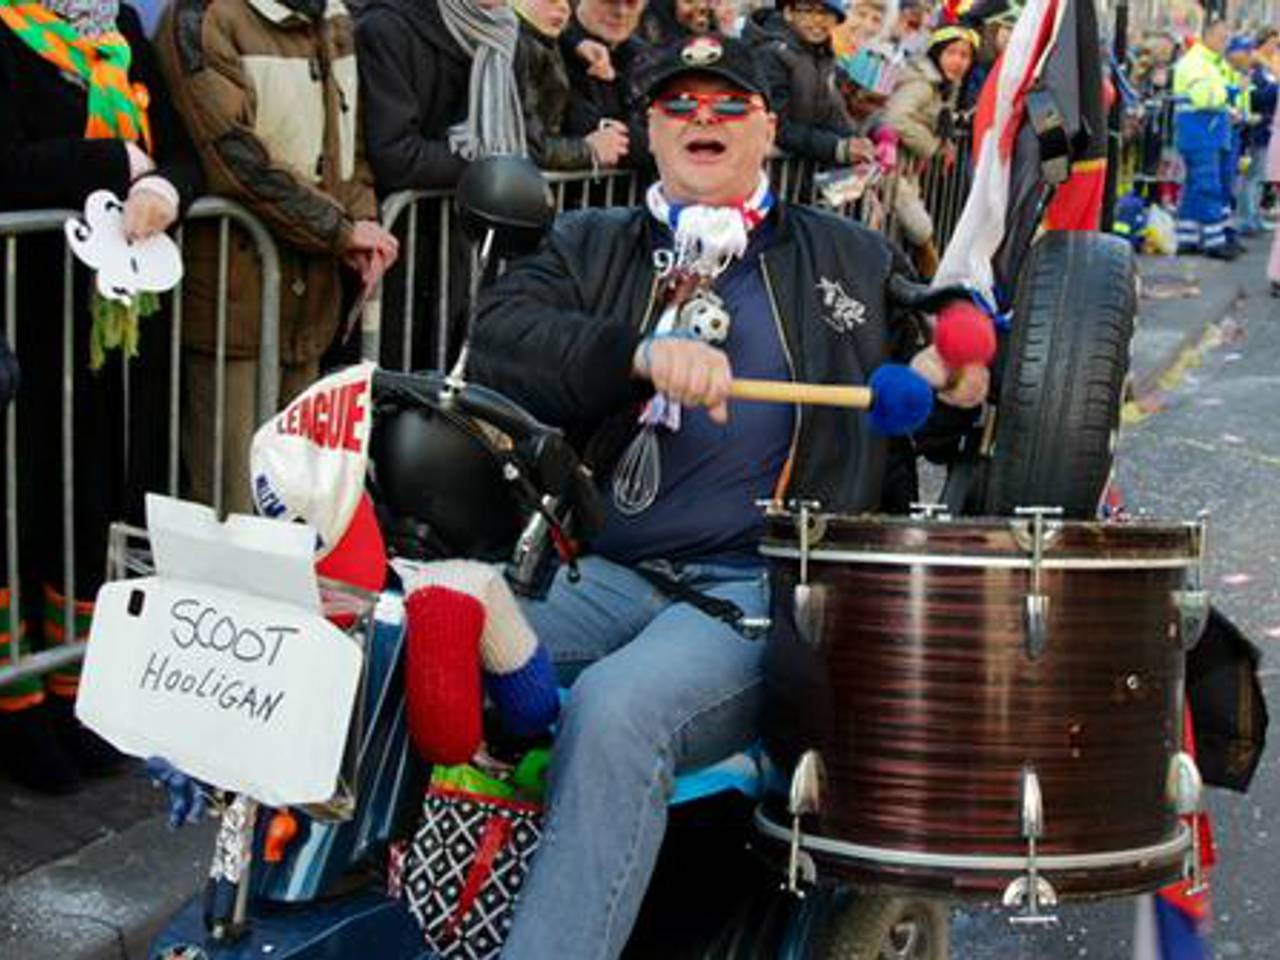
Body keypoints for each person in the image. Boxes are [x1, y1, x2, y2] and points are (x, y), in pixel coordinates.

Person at [467, 34, 987, 958]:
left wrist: (954, 384)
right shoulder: (589, 243)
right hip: (603, 568)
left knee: (618, 711)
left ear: (771, 129)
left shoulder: (851, 256)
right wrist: (630, 354)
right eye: (680, 106)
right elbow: (505, 339)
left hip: (759, 590)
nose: (703, 121)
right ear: (650, 129)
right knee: (416, 644)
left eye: (728, 106)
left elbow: (925, 406)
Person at [0, 0, 202, 793]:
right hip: (25, 307)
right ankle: (15, 704)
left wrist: (168, 190)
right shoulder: (9, 31)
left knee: (90, 493)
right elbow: (9, 165)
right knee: (22, 497)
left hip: (113, 318)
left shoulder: (116, 26)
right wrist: (115, 161)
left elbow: (181, 155)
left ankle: (74, 685)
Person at [155, 0, 397, 517]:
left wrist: (363, 224)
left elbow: (349, 154)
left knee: (295, 510)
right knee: (232, 510)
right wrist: (341, 230)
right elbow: (232, 158)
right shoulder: (204, 16)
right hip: (232, 304)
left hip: (309, 311)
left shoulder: (334, 15)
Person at [884, 21, 977, 277]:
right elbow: (894, 119)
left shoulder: (944, 86)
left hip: (905, 169)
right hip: (886, 167)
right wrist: (934, 146)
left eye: (965, 55)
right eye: (952, 53)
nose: (958, 61)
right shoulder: (923, 84)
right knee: (920, 229)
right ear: (937, 53)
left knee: (906, 232)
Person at [515, 0, 629, 170]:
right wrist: (590, 149)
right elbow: (523, 146)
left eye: (570, 2)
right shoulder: (515, 49)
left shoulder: (541, 39)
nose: (563, 7)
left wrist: (576, 43)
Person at [752, 0, 865, 164]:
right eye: (808, 10)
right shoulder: (770, 54)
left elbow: (833, 114)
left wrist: (858, 140)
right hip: (770, 175)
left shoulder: (823, 55)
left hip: (805, 176)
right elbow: (776, 126)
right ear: (788, 12)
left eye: (826, 12)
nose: (818, 19)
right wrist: (835, 148)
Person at [1172, 19, 1237, 259]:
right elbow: (1203, 98)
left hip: (1200, 133)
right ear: (1207, 36)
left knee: (1193, 188)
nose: (1224, 43)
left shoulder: (1204, 62)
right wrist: (1228, 92)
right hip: (1202, 134)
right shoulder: (1198, 63)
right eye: (1221, 38)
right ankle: (1214, 242)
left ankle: (1187, 238)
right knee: (1208, 187)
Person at [558, 0, 651, 167]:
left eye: (632, 3)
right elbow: (578, 124)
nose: (621, 12)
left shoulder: (645, 58)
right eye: (609, 1)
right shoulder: (555, 50)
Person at [1241, 28, 1278, 235]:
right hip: (1257, 127)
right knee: (1253, 175)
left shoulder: (1269, 68)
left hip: (1267, 126)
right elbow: (1255, 97)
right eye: (1273, 43)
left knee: (1260, 175)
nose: (1275, 48)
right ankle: (1248, 217)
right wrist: (1276, 88)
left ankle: (1254, 215)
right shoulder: (1256, 67)